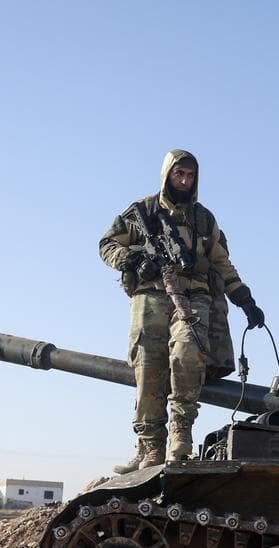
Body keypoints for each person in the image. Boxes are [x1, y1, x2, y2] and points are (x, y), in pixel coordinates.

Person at [99, 149, 266, 471]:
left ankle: (181, 439)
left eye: (191, 176)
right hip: (150, 295)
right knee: (148, 368)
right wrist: (132, 259)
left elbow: (221, 262)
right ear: (167, 175)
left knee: (187, 357)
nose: (185, 181)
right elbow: (107, 244)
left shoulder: (203, 219)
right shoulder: (142, 212)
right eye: (180, 174)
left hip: (194, 297)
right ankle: (148, 448)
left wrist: (244, 298)